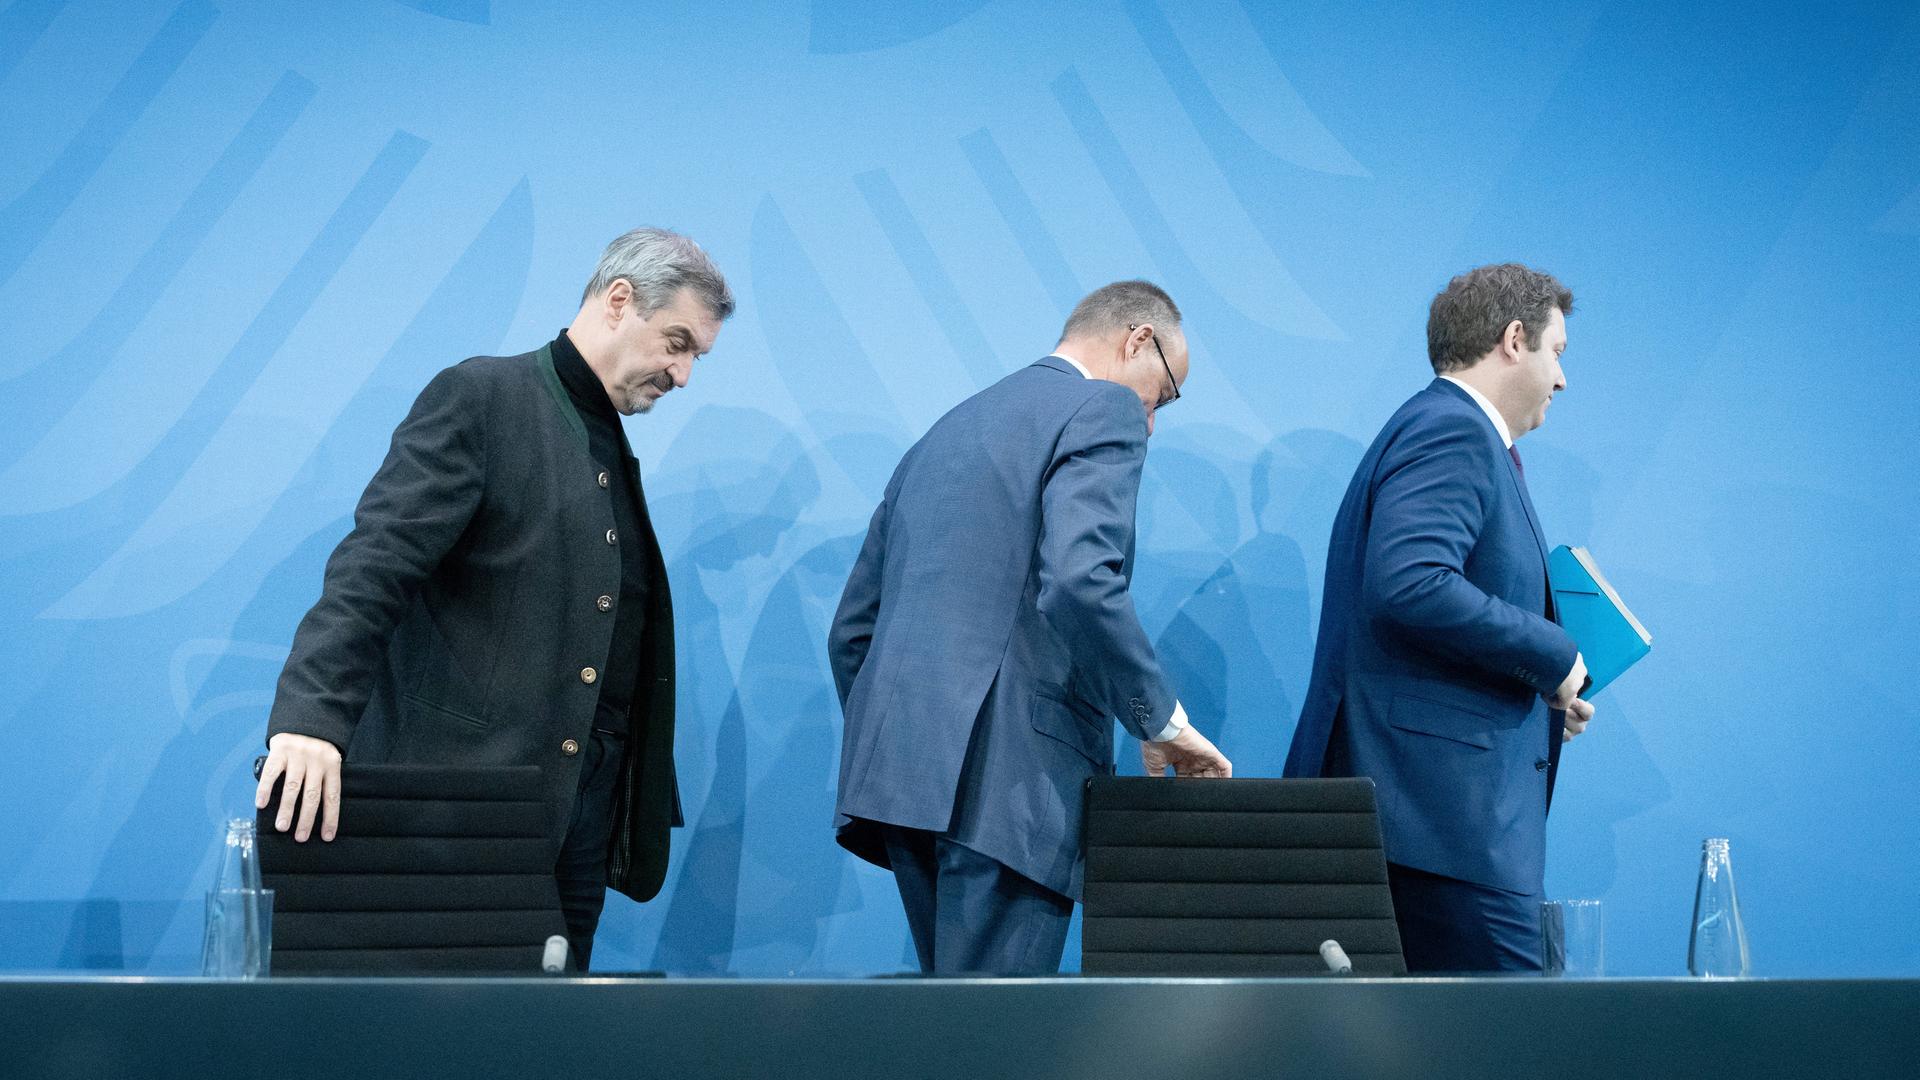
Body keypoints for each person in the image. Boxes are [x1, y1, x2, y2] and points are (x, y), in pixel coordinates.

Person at [255, 227, 733, 969]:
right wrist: (310, 720)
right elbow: (373, 565)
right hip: (467, 818)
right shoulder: (483, 398)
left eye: (696, 356)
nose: (683, 374)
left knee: (546, 1044)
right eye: (677, 343)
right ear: (618, 301)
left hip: (575, 819)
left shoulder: (604, 434)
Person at [828, 280, 1233, 975]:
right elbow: (1079, 581)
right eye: (1164, 394)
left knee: (953, 1041)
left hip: (902, 782)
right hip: (1013, 787)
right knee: (994, 1053)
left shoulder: (946, 429)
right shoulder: (1103, 407)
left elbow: (853, 633)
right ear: (1138, 340)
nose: (1154, 421)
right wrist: (1158, 722)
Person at [1282, 263, 1597, 972]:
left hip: (1426, 822)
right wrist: (1553, 652)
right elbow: (1412, 581)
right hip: (1436, 825)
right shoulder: (1453, 431)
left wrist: (1545, 690)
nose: (1563, 379)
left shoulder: (1446, 430)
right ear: (1514, 339)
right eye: (1558, 353)